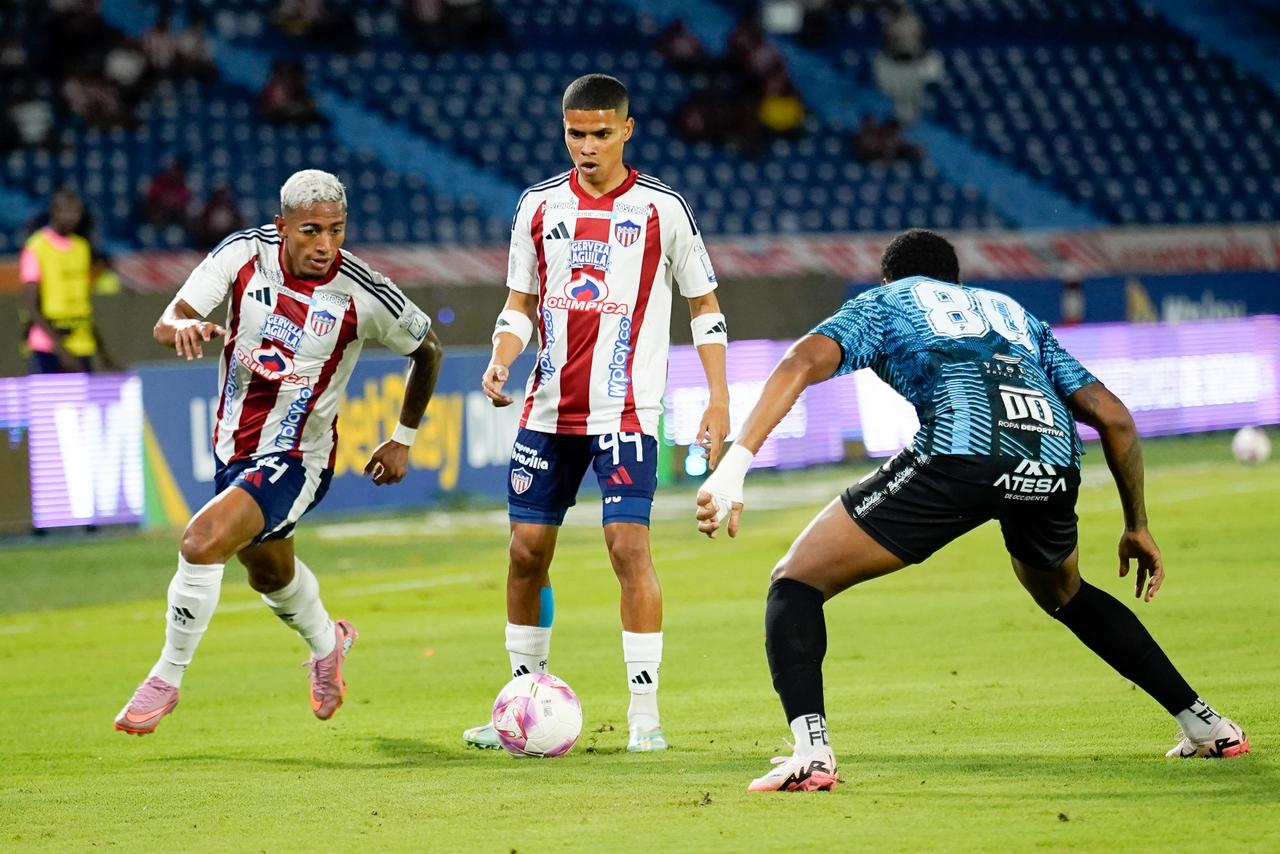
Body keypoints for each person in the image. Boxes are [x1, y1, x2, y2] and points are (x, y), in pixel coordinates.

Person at [695, 228, 1249, 791]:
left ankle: (813, 755)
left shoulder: (887, 301)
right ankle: (1207, 724)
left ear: (893, 277)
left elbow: (799, 362)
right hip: (1053, 460)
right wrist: (1137, 524)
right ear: (954, 280)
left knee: (796, 582)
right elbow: (1115, 418)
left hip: (962, 453)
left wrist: (734, 467)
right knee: (1065, 593)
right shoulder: (1013, 312)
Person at [114, 169, 443, 735]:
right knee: (268, 574)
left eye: (336, 231)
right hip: (232, 447)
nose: (325, 245)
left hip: (299, 458)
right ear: (281, 226)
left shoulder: (363, 292)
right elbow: (171, 318)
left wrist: (403, 437)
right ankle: (328, 645)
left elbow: (428, 349)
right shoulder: (243, 254)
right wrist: (184, 328)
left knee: (201, 542)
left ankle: (166, 678)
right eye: (311, 230)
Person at [464, 74, 730, 753]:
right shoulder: (536, 207)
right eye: (576, 134)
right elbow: (518, 304)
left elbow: (705, 308)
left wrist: (719, 398)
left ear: (627, 130)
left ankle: (644, 715)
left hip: (629, 413)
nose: (587, 146)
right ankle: (523, 700)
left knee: (627, 547)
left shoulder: (663, 210)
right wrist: (501, 357)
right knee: (526, 554)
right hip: (547, 411)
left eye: (601, 133)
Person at [20, 189, 116, 374]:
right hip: (47, 347)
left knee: (82, 403)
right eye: (66, 211)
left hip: (81, 343)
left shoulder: (82, 248)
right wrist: (61, 350)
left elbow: (84, 303)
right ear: (54, 211)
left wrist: (103, 354)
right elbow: (32, 306)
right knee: (48, 402)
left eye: (77, 211)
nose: (72, 217)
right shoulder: (36, 247)